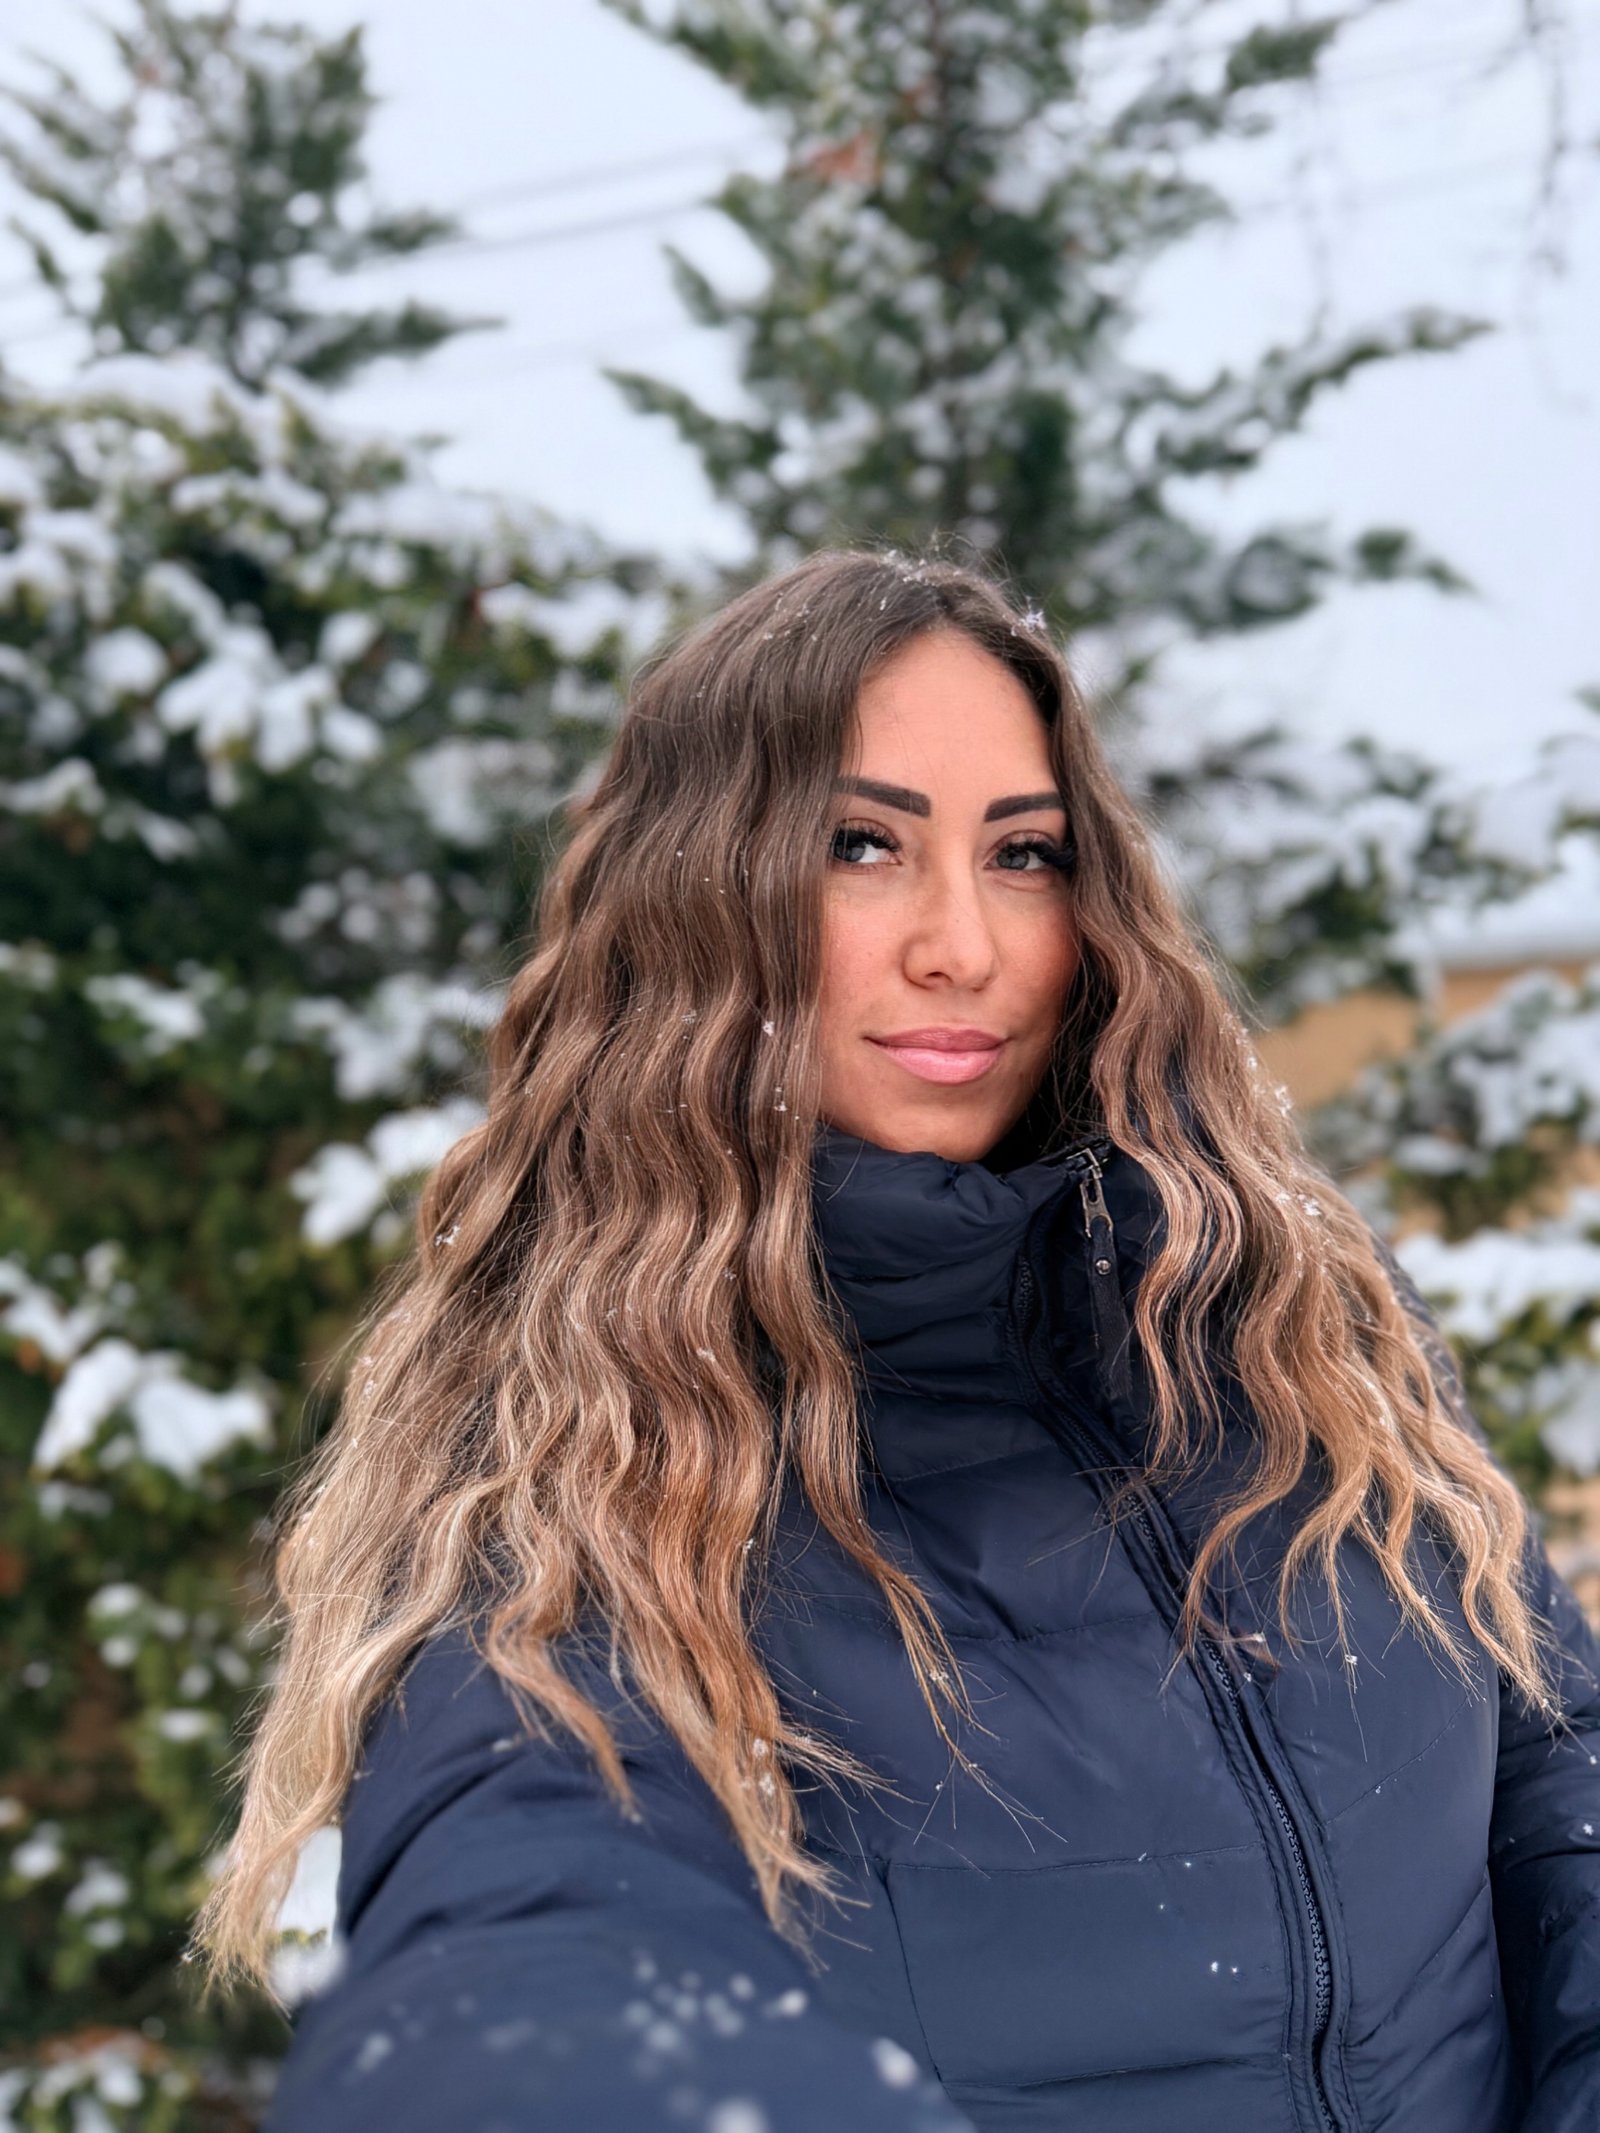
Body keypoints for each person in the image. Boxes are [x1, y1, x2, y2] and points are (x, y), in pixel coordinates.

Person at [190, 548, 1600, 2133]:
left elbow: (1554, 1761)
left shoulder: (1289, 1321)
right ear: (698, 895)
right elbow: (524, 1953)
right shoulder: (588, 1469)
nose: (963, 945)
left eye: (1024, 853)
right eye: (861, 845)